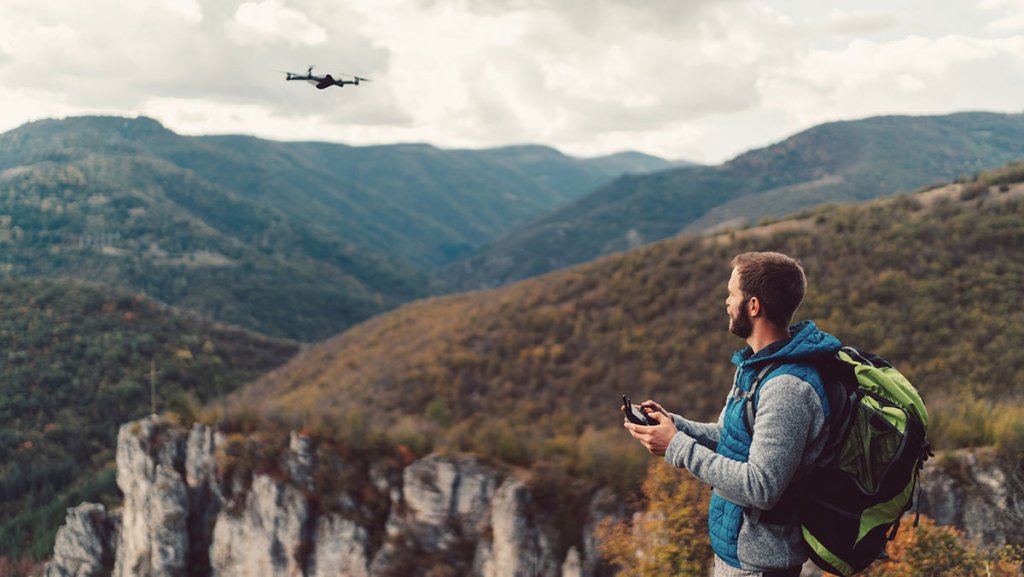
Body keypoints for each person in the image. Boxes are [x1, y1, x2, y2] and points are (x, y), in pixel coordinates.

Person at [624, 251, 841, 577]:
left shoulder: (787, 389)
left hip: (761, 565)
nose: (726, 302)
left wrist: (676, 447)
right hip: (736, 554)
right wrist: (674, 425)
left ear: (753, 306)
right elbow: (730, 436)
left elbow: (761, 487)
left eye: (732, 294)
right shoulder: (756, 368)